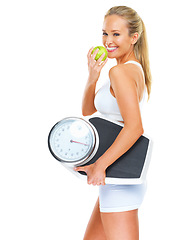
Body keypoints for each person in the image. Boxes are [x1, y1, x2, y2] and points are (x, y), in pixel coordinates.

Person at [75, 5, 152, 240]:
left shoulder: (121, 73)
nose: (108, 40)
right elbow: (89, 110)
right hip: (116, 178)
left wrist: (100, 166)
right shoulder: (127, 70)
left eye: (116, 34)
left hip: (119, 180)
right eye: (105, 33)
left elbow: (135, 128)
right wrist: (93, 75)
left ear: (134, 37)